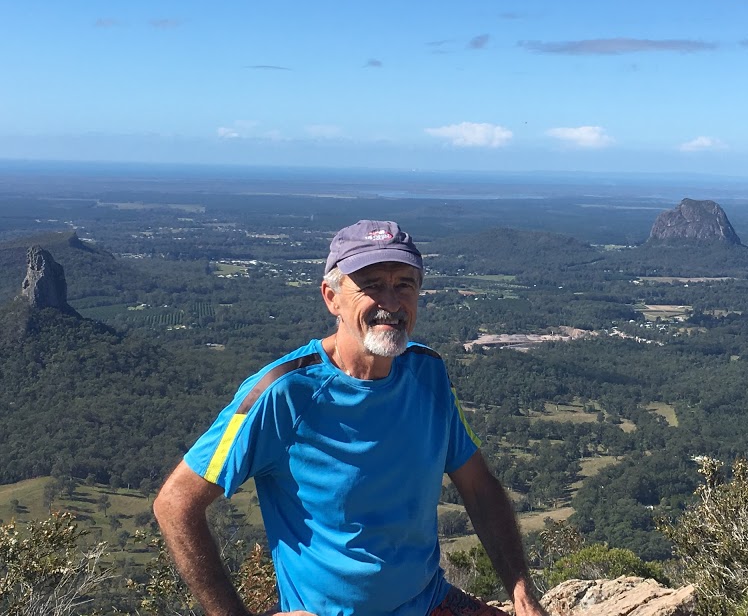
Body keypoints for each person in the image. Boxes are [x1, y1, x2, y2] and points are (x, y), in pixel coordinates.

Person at [154, 220, 547, 616]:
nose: (391, 303)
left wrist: (520, 587)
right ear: (332, 297)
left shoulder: (428, 372)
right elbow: (175, 503)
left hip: (431, 602)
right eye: (372, 285)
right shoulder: (283, 392)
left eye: (404, 285)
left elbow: (478, 485)